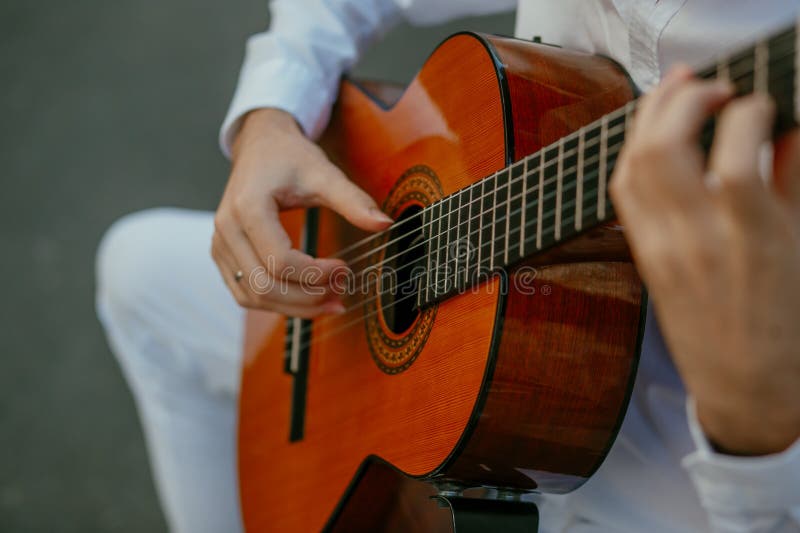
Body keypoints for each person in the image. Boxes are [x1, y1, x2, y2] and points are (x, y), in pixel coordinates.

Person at [95, 1, 800, 531]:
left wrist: (755, 429)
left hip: (678, 488)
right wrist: (270, 116)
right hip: (431, 331)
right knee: (139, 273)